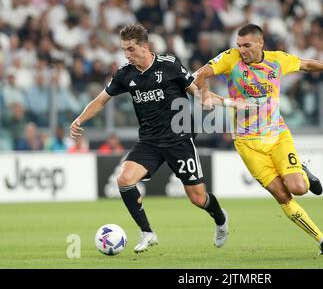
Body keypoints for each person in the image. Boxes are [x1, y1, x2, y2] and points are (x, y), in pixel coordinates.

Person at [70, 23, 229, 253]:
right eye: (124, 49)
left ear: (145, 47)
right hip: (150, 142)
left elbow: (196, 90)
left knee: (197, 198)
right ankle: (147, 232)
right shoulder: (125, 74)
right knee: (124, 179)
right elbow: (101, 100)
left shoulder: (170, 65)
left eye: (131, 49)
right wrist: (80, 119)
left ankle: (220, 219)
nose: (127, 54)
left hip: (179, 140)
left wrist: (210, 99)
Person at [194, 23, 323, 255]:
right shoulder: (231, 58)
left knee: (298, 188)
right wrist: (205, 91)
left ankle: (303, 170)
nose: (242, 50)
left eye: (247, 45)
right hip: (247, 143)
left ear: (260, 43)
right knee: (281, 194)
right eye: (239, 45)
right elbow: (201, 73)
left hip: (277, 135)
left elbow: (305, 64)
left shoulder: (278, 60)